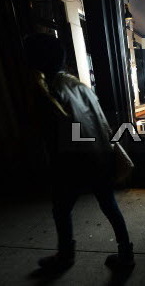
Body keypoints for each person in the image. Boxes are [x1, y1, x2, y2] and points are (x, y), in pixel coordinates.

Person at [24, 33, 134, 271]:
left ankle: (65, 256)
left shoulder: (47, 89)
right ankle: (126, 253)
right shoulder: (79, 85)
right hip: (101, 154)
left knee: (61, 209)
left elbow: (51, 132)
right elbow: (101, 122)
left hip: (72, 160)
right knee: (109, 205)